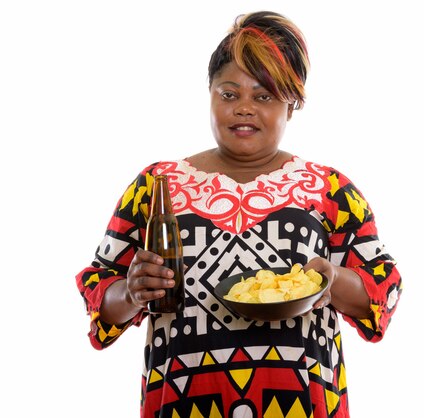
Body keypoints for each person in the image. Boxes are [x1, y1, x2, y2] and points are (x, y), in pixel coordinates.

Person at [76, 10, 402, 418]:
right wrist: (130, 291)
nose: (244, 108)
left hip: (300, 406)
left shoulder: (331, 190)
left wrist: (331, 281)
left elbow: (383, 291)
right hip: (183, 405)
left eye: (263, 96)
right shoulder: (156, 186)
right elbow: (100, 294)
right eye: (229, 94)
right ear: (210, 93)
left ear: (292, 104)